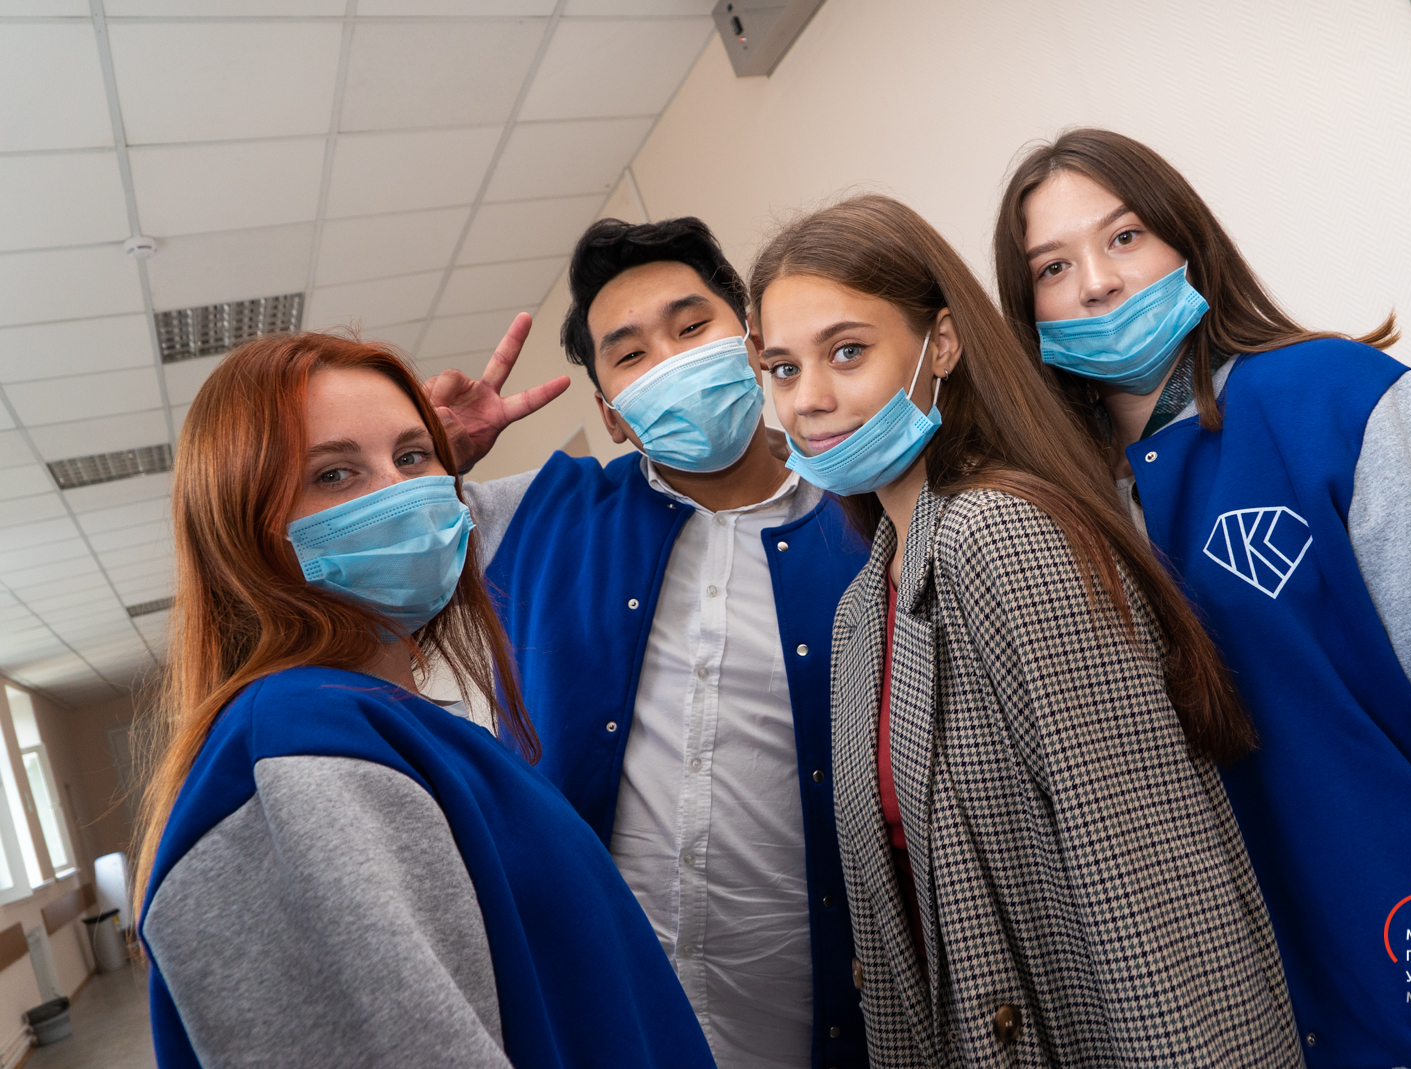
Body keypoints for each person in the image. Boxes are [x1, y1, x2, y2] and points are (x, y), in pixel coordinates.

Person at [993, 128, 1411, 1068]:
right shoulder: (1053, 521)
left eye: (1124, 237)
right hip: (1243, 1027)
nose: (1099, 284)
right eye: (1053, 267)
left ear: (1189, 240)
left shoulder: (1341, 404)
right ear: (1025, 310)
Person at [748, 193, 1302, 1067]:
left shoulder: (999, 532)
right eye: (783, 368)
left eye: (847, 351)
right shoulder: (860, 607)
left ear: (941, 343)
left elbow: (1152, 887)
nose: (810, 399)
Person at [132, 333, 716, 1069]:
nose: (400, 496)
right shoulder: (294, 750)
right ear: (244, 525)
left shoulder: (391, 722)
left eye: (413, 458)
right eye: (335, 473)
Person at [423, 217, 869, 1069]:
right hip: (596, 1016)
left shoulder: (864, 521)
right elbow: (315, 574)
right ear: (612, 416)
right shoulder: (534, 516)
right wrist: (427, 464)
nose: (669, 360)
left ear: (752, 343)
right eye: (630, 354)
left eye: (691, 327)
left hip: (813, 1021)